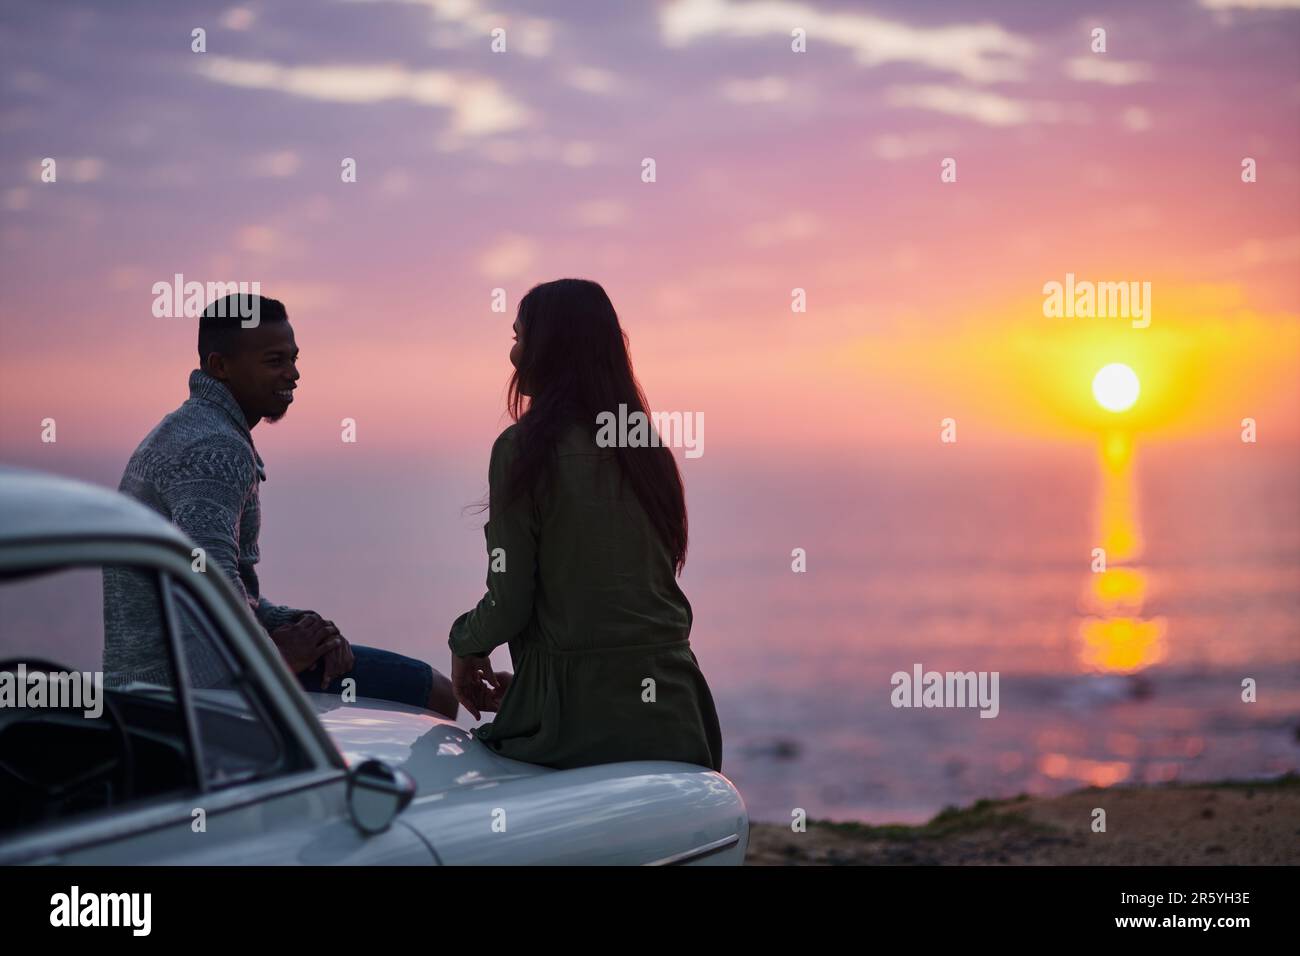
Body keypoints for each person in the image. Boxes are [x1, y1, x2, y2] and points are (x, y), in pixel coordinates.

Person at [104, 293, 457, 717]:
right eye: (275, 361)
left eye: (293, 359)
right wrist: (278, 654)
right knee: (436, 693)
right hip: (186, 689)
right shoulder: (215, 448)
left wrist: (294, 624)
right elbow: (209, 588)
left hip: (153, 680)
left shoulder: (187, 429)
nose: (294, 374)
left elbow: (214, 582)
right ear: (220, 366)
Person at [447, 278, 722, 771]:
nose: (513, 354)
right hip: (678, 711)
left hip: (573, 722)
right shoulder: (645, 449)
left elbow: (509, 603)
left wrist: (465, 642)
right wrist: (533, 683)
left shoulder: (522, 450)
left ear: (548, 346)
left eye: (518, 337)